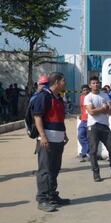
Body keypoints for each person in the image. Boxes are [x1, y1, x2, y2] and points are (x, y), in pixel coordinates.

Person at [32, 72, 70, 212]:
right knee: (45, 170)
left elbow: (59, 118)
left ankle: (52, 195)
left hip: (58, 139)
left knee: (54, 168)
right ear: (57, 82)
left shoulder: (59, 98)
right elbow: (37, 117)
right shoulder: (44, 96)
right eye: (63, 81)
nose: (65, 83)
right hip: (47, 140)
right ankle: (42, 199)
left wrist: (64, 133)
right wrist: (43, 136)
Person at [84, 76, 111, 182]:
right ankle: (96, 173)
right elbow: (91, 112)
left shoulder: (105, 95)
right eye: (93, 83)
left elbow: (110, 110)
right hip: (93, 126)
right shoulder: (88, 97)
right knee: (93, 151)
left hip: (104, 125)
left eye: (97, 83)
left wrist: (101, 109)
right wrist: (103, 108)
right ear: (90, 85)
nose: (96, 84)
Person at [77, 85, 90, 162]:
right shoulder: (81, 97)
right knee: (80, 135)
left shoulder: (92, 96)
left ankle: (85, 153)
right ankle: (86, 152)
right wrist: (81, 114)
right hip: (83, 120)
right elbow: (82, 108)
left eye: (87, 90)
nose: (85, 91)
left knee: (90, 137)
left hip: (90, 120)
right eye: (84, 90)